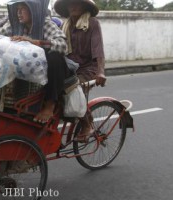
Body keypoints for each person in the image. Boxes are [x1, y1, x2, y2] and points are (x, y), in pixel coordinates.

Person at [54, 0, 106, 142]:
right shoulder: (65, 25)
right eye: (70, 4)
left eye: (77, 3)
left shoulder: (92, 23)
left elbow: (98, 49)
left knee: (73, 89)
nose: (74, 6)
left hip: (88, 68)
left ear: (84, 7)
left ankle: (87, 124)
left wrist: (100, 71)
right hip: (69, 67)